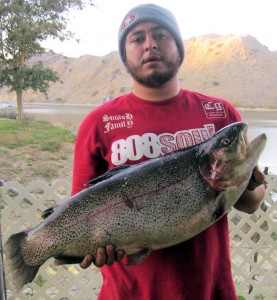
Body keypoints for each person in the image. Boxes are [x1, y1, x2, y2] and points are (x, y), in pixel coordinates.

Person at [71, 3, 265, 299]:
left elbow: (250, 204)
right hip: (127, 293)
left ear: (178, 46)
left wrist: (248, 183)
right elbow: (80, 210)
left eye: (161, 34)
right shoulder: (98, 124)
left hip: (210, 291)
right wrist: (89, 246)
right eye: (137, 38)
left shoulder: (221, 113)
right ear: (125, 55)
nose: (150, 44)